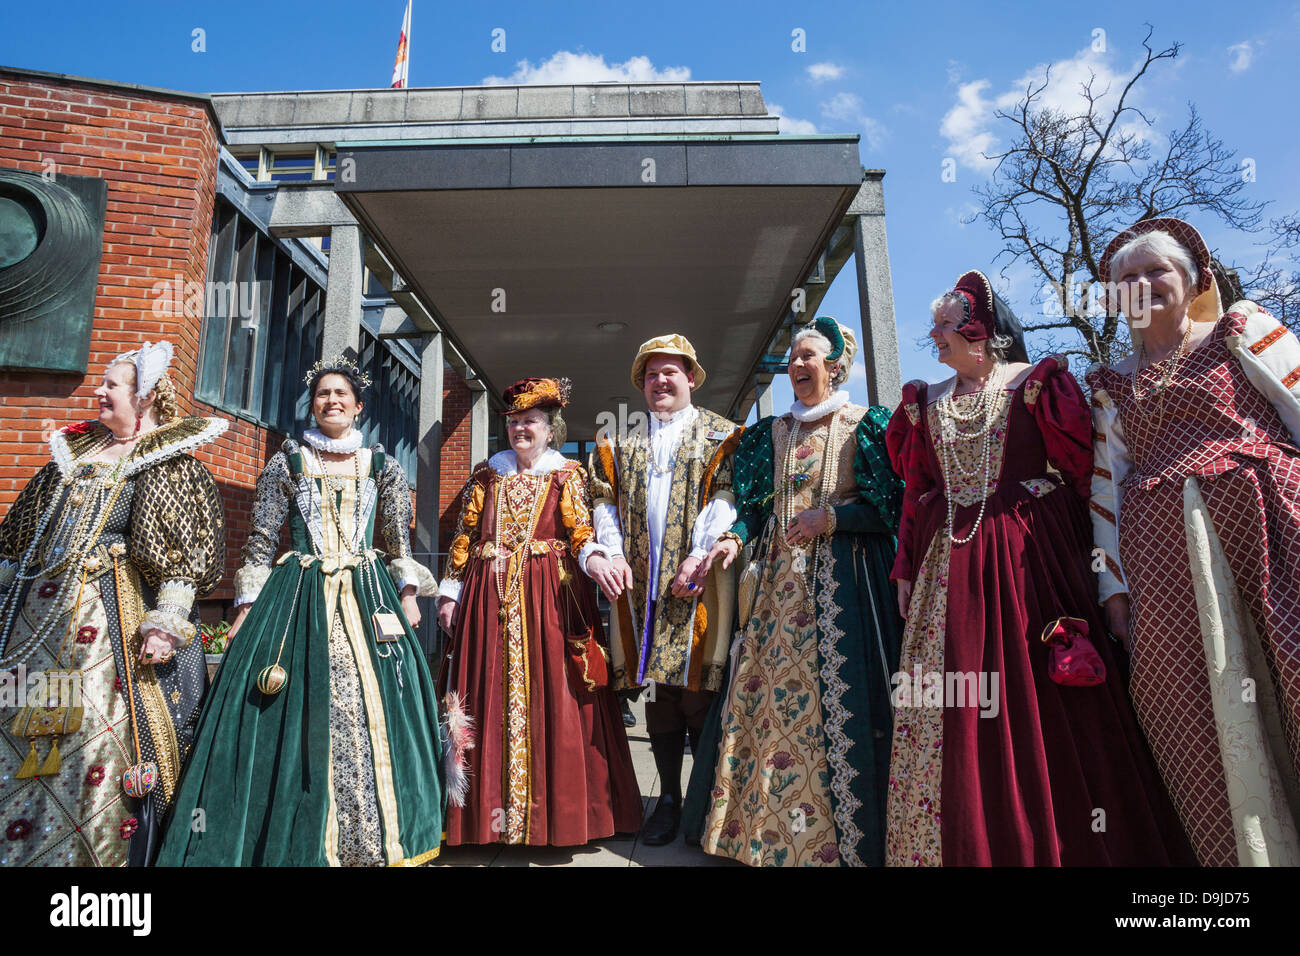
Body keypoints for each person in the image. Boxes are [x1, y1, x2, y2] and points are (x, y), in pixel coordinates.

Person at [884, 271, 1194, 866]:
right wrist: (904, 566)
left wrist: (1101, 569)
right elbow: (919, 491)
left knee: (1040, 692)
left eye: (945, 324)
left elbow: (1083, 478)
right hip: (947, 571)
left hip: (1030, 563)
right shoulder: (924, 402)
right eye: (935, 325)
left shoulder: (1036, 385)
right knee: (954, 699)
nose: (934, 335)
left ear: (982, 330)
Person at [156, 355, 446, 866]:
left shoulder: (382, 465)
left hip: (368, 592)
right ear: (312, 406)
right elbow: (260, 540)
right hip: (298, 593)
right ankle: (295, 837)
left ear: (358, 406)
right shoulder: (286, 462)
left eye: (341, 394)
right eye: (322, 395)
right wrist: (245, 606)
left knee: (380, 704)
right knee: (288, 705)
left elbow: (398, 539)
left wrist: (407, 595)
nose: (331, 401)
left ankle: (376, 837)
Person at [1088, 217, 1300, 866]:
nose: (1142, 284)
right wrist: (1113, 589)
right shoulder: (1111, 383)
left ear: (1192, 279)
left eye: (1157, 270)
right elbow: (1106, 487)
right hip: (1164, 569)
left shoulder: (1241, 330)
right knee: (1191, 709)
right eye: (1127, 277)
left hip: (1270, 532)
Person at [687, 317, 904, 866]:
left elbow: (892, 510)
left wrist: (832, 518)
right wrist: (733, 539)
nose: (797, 365)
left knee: (842, 701)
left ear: (835, 366)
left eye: (808, 356)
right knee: (766, 703)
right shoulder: (769, 434)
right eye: (792, 358)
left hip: (848, 585)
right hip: (777, 591)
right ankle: (758, 835)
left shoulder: (866, 424)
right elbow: (756, 510)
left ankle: (840, 841)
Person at [0, 341, 226, 866]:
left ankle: (88, 853)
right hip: (39, 615)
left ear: (143, 398)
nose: (98, 392)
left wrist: (165, 624)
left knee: (93, 733)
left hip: (108, 620)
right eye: (101, 383)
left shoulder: (166, 462)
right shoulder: (73, 453)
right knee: (20, 719)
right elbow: (20, 537)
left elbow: (182, 553)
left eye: (111, 385)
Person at [436, 377, 641, 846]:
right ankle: (485, 823)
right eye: (513, 421)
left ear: (551, 429)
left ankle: (555, 819)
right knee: (484, 691)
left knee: (557, 694)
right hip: (487, 599)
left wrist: (597, 559)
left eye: (530, 421)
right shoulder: (486, 475)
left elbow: (581, 532)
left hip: (548, 600)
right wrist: (450, 592)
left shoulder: (566, 475)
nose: (520, 429)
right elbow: (464, 535)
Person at [586, 335, 741, 846]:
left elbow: (725, 497)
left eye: (670, 372)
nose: (660, 381)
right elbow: (604, 502)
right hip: (642, 588)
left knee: (697, 691)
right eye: (651, 374)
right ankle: (669, 799)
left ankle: (702, 803)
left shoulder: (721, 435)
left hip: (699, 582)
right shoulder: (621, 442)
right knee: (659, 695)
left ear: (691, 378)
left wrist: (698, 553)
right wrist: (611, 552)